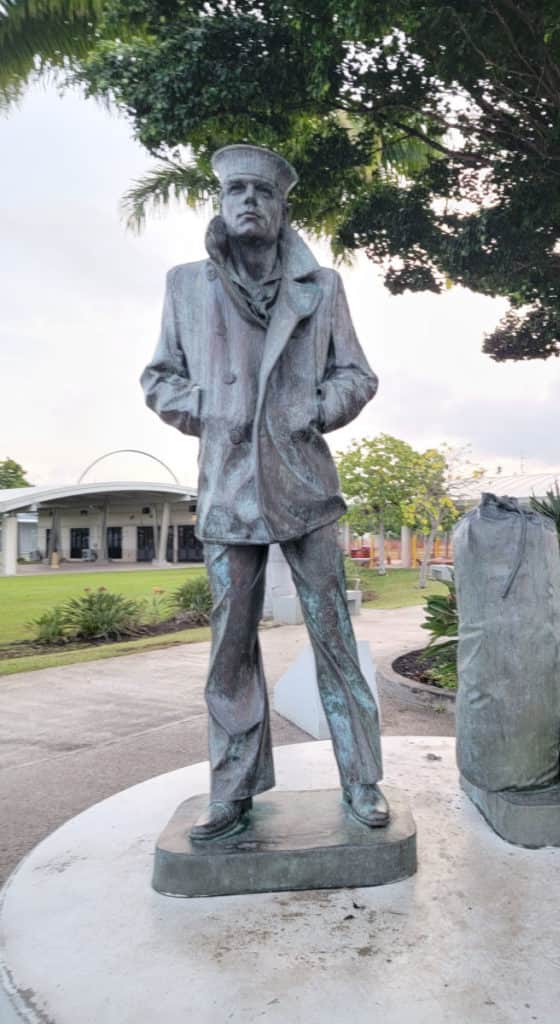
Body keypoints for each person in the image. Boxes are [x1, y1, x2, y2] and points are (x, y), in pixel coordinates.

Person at [141, 144, 388, 840]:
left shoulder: (322, 286)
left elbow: (357, 375)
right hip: (228, 485)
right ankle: (233, 789)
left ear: (282, 208)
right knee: (230, 649)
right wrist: (210, 409)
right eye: (236, 190)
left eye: (262, 192)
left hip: (304, 483)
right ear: (221, 203)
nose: (249, 201)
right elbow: (159, 377)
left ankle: (362, 779)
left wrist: (311, 409)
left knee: (334, 637)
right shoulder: (186, 285)